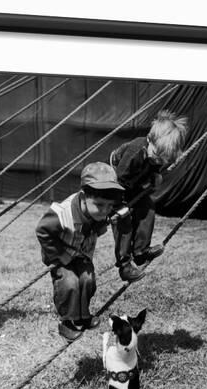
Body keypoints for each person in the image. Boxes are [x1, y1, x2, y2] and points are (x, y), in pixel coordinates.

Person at [36, 162, 124, 341]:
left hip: (81, 253)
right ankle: (67, 322)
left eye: (110, 206)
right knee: (69, 283)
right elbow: (42, 230)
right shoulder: (61, 214)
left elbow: (104, 217)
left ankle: (82, 316)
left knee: (87, 280)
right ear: (83, 197)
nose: (105, 211)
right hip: (61, 254)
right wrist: (60, 255)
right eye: (100, 205)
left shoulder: (100, 210)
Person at [110, 110, 188, 280]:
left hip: (133, 184)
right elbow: (118, 180)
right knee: (124, 221)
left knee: (147, 207)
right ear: (150, 140)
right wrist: (118, 206)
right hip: (115, 186)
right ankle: (124, 266)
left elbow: (152, 168)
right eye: (157, 156)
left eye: (163, 160)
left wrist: (155, 175)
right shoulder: (135, 151)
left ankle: (140, 252)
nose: (158, 161)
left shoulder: (155, 155)